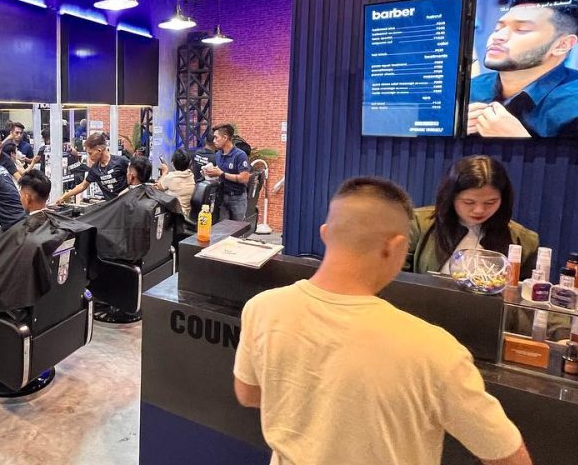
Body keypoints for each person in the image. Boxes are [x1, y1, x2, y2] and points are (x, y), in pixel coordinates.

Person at [233, 178, 532, 465]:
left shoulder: (263, 307)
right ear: (396, 246)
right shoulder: (434, 349)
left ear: (325, 234)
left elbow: (248, 393)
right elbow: (505, 453)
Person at [468, 0, 578, 138]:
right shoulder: (472, 88)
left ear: (562, 45)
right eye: (498, 28)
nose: (498, 36)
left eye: (522, 29)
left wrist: (520, 139)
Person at [407, 155, 539, 276]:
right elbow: (399, 277)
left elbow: (525, 291)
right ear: (450, 198)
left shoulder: (525, 241)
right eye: (468, 202)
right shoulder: (418, 224)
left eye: (490, 202)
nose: (479, 210)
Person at [57, 133, 129, 204]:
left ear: (99, 151)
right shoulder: (95, 169)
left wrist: (125, 192)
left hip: (128, 204)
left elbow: (135, 180)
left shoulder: (121, 161)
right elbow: (83, 185)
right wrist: (65, 196)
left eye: (90, 153)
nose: (89, 157)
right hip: (112, 207)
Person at [202, 124, 250, 222]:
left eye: (216, 138)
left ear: (225, 138)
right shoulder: (218, 155)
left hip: (237, 198)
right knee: (222, 228)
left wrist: (221, 173)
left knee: (237, 228)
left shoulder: (240, 155)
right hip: (222, 197)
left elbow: (244, 178)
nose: (214, 141)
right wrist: (209, 173)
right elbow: (218, 175)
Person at [155, 150, 196, 222]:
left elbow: (158, 187)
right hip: (187, 214)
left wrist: (165, 171)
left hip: (175, 216)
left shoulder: (170, 177)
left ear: (173, 163)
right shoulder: (191, 175)